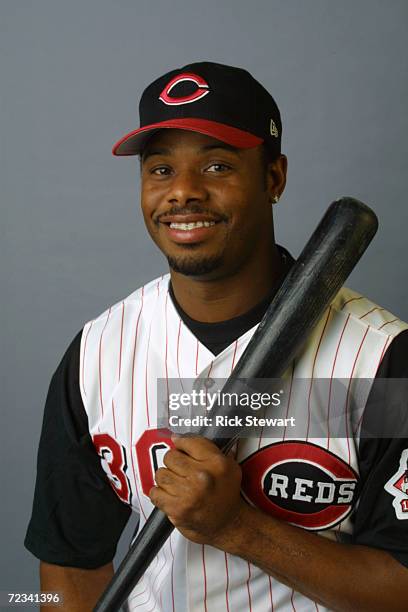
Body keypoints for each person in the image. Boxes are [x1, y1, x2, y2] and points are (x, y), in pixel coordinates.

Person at [25, 62, 408, 611]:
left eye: (217, 165)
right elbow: (68, 565)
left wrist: (237, 527)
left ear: (273, 177)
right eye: (160, 170)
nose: (182, 192)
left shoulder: (382, 361)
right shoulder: (97, 353)